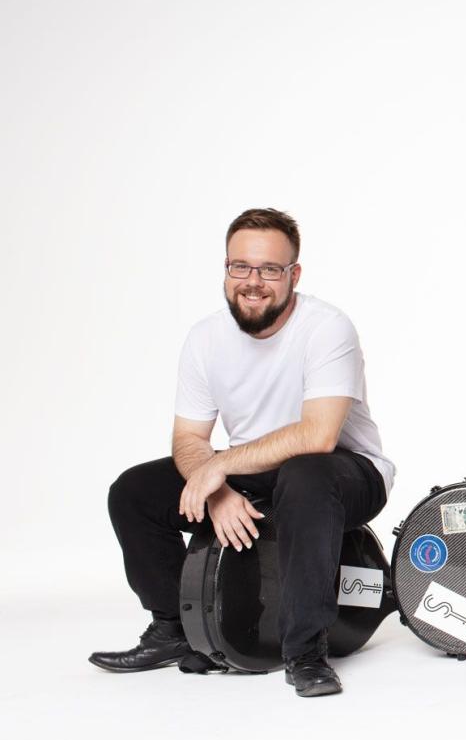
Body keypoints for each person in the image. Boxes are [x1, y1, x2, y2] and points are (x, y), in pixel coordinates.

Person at [89, 208, 395, 695]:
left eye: (270, 269)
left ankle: (305, 651)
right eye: (241, 267)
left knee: (306, 473)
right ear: (226, 269)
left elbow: (318, 435)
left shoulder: (327, 328)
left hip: (345, 472)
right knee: (135, 492)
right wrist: (218, 493)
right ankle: (174, 627)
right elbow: (189, 440)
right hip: (256, 468)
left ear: (294, 275)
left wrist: (221, 468)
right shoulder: (205, 338)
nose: (253, 282)